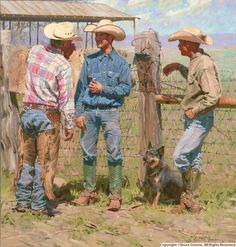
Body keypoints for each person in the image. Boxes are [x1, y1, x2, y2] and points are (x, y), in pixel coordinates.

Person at [15, 22, 80, 214]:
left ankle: (22, 201)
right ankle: (38, 205)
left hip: (28, 113)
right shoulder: (63, 66)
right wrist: (69, 124)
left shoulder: (35, 51)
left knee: (27, 161)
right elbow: (66, 99)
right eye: (71, 42)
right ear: (66, 42)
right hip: (47, 116)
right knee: (43, 163)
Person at [74, 19, 131, 211]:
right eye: (97, 35)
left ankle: (115, 195)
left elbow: (125, 88)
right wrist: (79, 113)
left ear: (111, 38)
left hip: (110, 113)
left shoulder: (121, 63)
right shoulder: (90, 61)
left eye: (101, 35)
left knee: (114, 152)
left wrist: (103, 88)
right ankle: (88, 191)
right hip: (89, 112)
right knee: (88, 152)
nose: (98, 38)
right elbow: (81, 89)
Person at [163, 27, 221, 213]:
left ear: (188, 44)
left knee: (179, 156)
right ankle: (192, 203)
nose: (179, 47)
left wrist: (195, 110)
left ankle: (187, 198)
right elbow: (195, 82)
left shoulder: (204, 64)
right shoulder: (196, 62)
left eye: (181, 44)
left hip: (199, 118)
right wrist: (178, 67)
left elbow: (212, 96)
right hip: (196, 118)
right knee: (193, 159)